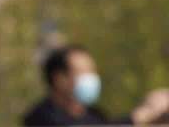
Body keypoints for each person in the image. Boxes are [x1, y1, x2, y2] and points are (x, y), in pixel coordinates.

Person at [22, 45, 169, 126]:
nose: (91, 78)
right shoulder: (41, 118)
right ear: (59, 79)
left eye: (92, 71)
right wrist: (140, 115)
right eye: (83, 72)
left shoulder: (94, 115)